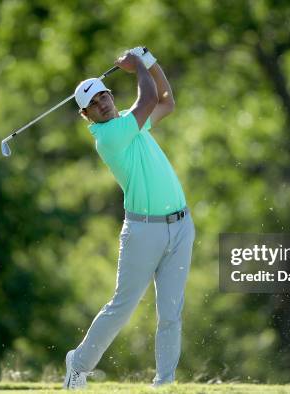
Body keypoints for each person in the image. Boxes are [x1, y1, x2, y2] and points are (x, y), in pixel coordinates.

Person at [63, 47, 195, 390]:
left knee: (171, 312)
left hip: (181, 226)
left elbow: (166, 99)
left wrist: (150, 62)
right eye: (94, 103)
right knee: (122, 307)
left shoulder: (128, 122)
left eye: (103, 95)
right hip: (143, 231)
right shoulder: (108, 136)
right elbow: (149, 96)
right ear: (86, 115)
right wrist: (138, 66)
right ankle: (78, 364)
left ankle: (164, 383)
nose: (102, 103)